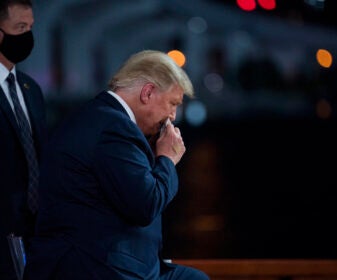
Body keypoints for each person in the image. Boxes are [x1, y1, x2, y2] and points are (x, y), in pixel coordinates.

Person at [23, 50, 209, 280]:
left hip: (103, 261)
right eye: (173, 103)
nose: (173, 116)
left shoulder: (100, 117)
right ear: (148, 92)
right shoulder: (115, 128)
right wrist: (167, 159)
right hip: (96, 268)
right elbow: (146, 205)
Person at [0, 0, 47, 279]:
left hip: (35, 228)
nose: (27, 36)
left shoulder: (31, 89)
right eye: (20, 27)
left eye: (30, 27)